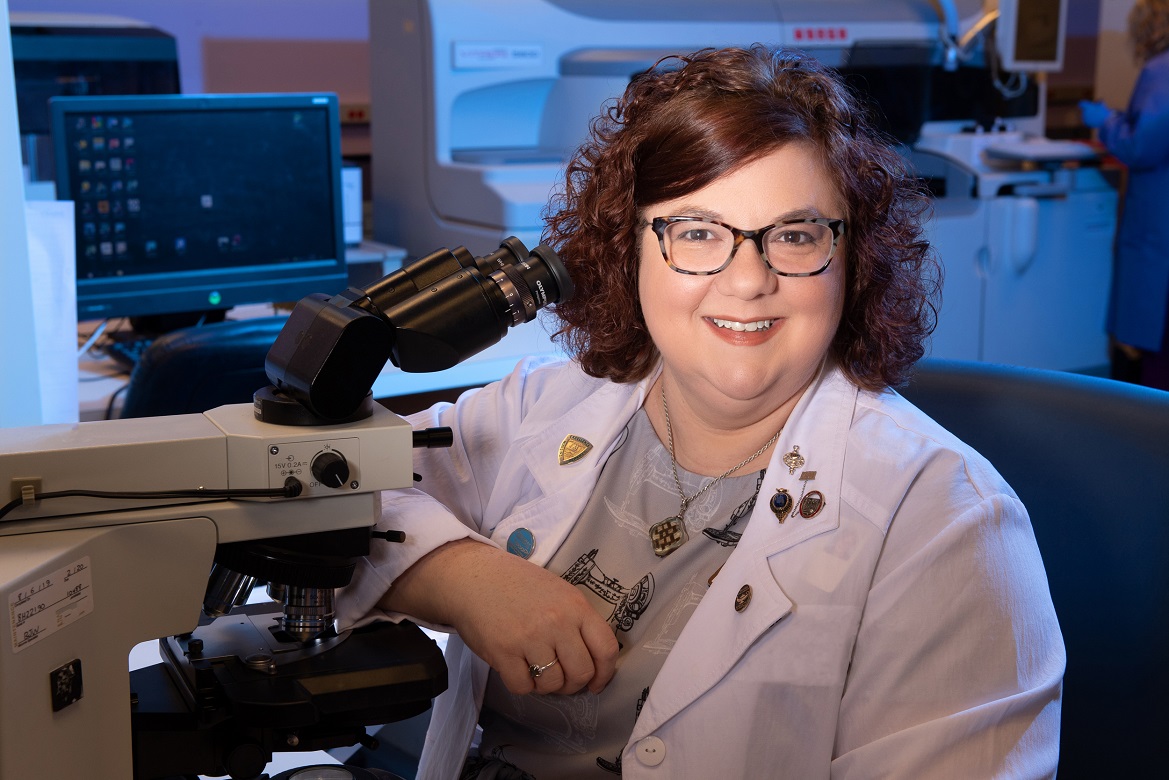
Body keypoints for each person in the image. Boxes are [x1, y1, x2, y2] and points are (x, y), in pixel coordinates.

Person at [337, 46, 1064, 779]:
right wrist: (462, 576)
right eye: (696, 232)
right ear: (628, 250)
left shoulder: (947, 520)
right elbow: (315, 486)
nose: (748, 281)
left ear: (853, 259)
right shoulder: (543, 403)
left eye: (795, 235)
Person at [1080, 0, 1169, 389]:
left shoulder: (1160, 70)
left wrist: (1106, 122)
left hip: (1157, 219)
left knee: (1149, 337)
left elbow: (1141, 147)